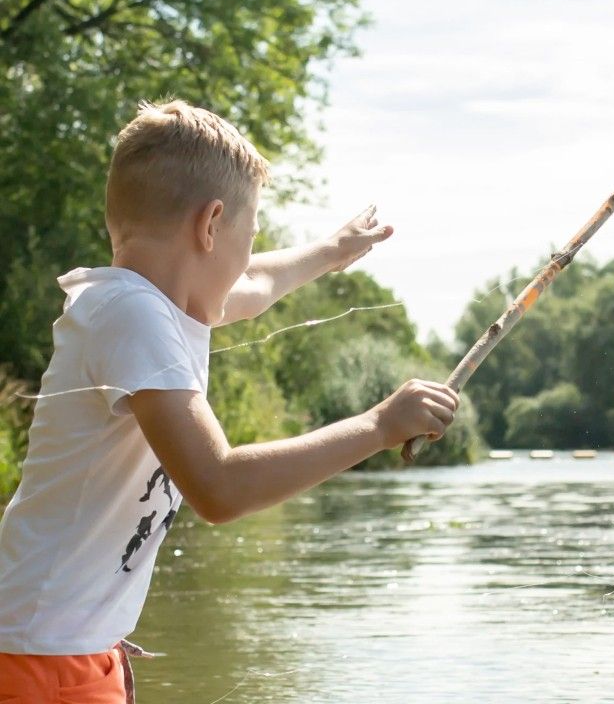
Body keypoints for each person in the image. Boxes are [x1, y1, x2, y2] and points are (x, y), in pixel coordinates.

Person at [0, 100, 459, 703]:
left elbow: (258, 283)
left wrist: (332, 251)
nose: (248, 258)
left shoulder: (144, 304)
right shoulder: (134, 317)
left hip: (60, 649)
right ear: (211, 224)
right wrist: (377, 425)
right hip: (44, 663)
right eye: (250, 234)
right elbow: (218, 486)